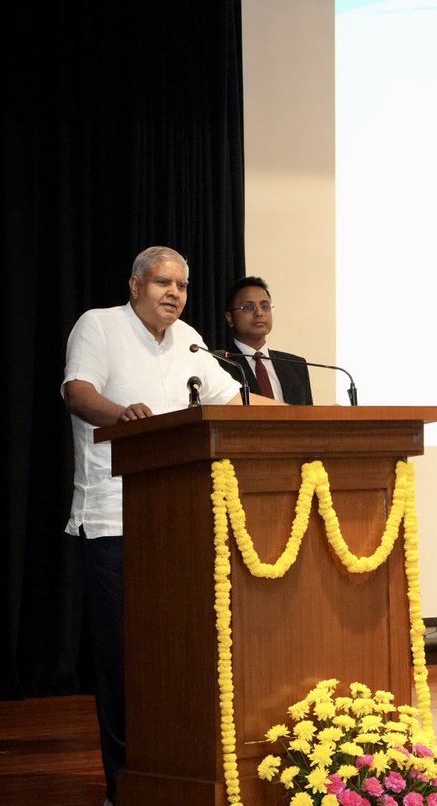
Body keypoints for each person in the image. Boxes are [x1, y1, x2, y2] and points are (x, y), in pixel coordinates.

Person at [62, 246, 282, 804]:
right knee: (124, 659)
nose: (174, 294)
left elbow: (237, 402)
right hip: (115, 519)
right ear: (135, 284)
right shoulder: (100, 326)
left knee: (181, 652)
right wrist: (123, 414)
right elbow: (78, 392)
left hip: (183, 520)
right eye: (163, 282)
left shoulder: (189, 340)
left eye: (182, 285)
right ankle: (123, 783)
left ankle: (177, 771)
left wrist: (315, 416)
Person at [222, 276, 313, 404]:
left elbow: (307, 419)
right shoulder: (220, 365)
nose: (259, 313)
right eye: (248, 307)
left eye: (265, 306)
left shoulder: (296, 366)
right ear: (230, 318)